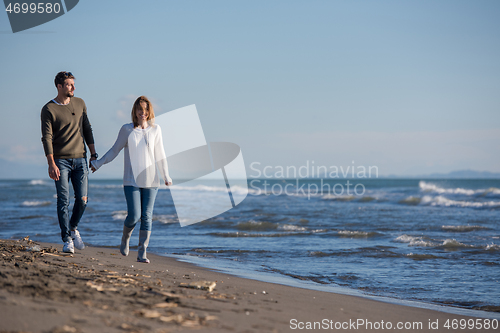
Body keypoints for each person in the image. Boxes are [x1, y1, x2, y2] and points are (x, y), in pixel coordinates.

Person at [91, 96, 172, 263]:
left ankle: (142, 252)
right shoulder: (127, 130)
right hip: (131, 180)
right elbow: (114, 150)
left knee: (147, 216)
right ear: (135, 112)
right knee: (134, 216)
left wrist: (166, 175)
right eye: (140, 110)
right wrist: (98, 163)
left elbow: (161, 155)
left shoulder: (156, 129)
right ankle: (125, 238)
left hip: (151, 180)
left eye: (146, 110)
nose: (143, 113)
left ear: (150, 112)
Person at [41, 71, 98, 253]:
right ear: (59, 86)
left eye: (73, 84)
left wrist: (93, 153)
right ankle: (67, 240)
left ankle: (73, 228)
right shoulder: (49, 109)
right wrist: (51, 163)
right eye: (69, 85)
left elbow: (87, 128)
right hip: (60, 161)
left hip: (81, 159)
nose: (73, 87)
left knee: (82, 200)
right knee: (63, 201)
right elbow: (47, 138)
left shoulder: (80, 103)